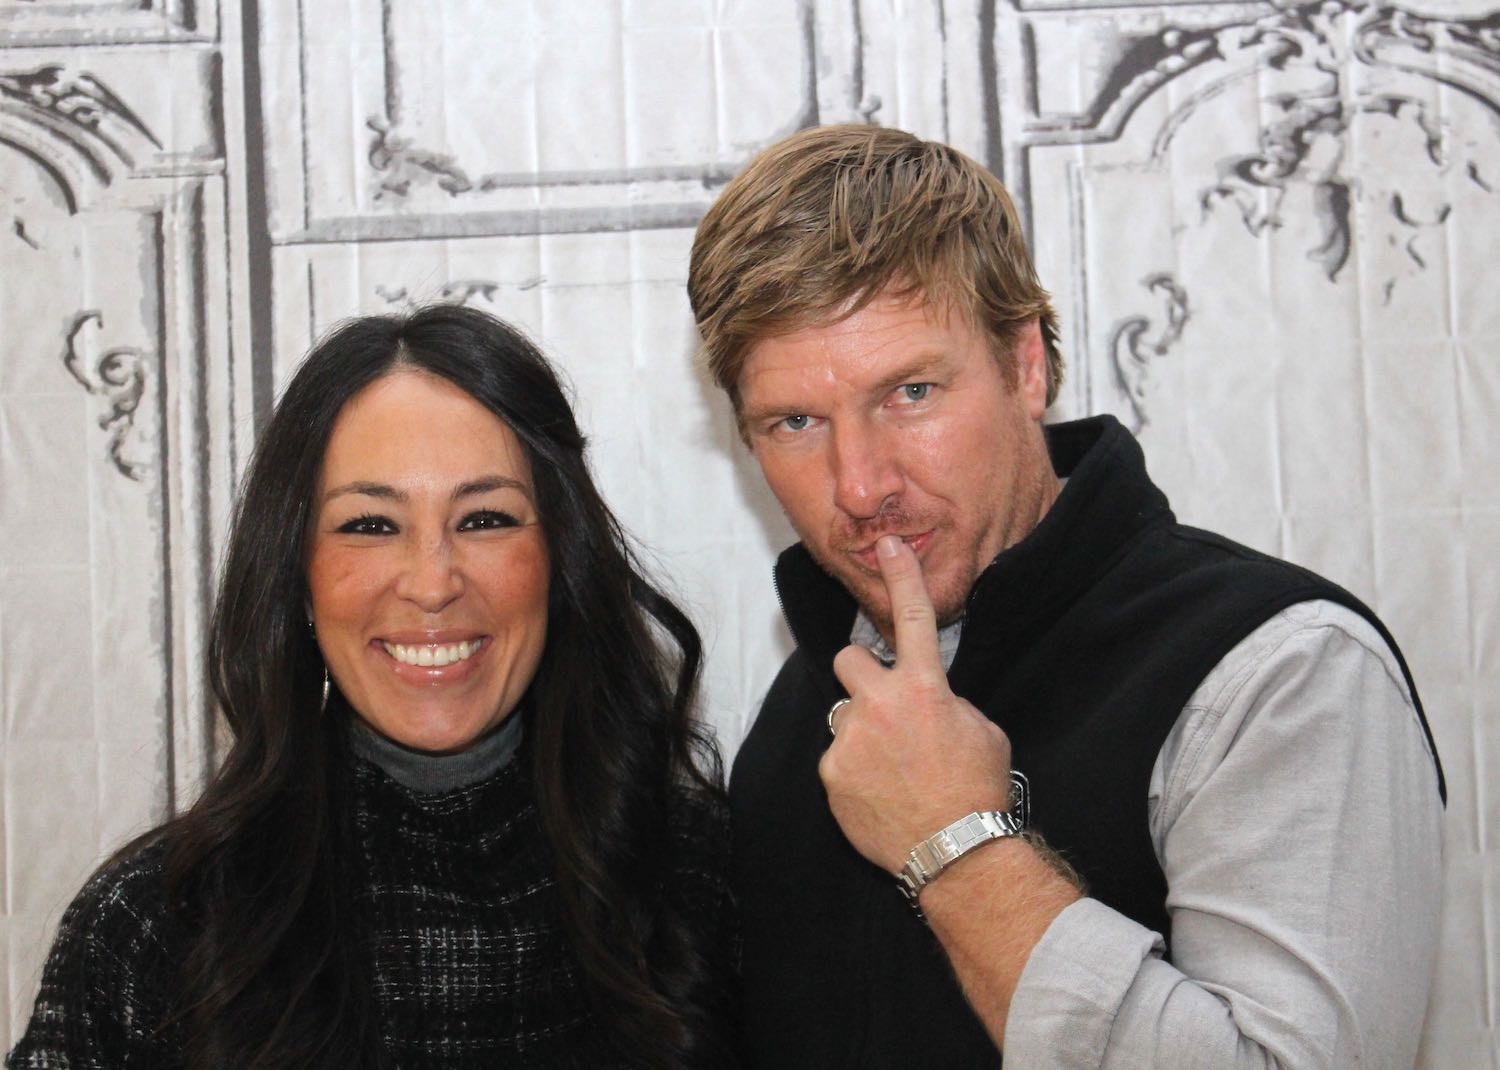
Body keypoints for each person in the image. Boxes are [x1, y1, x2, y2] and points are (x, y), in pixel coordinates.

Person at [687, 124, 1446, 1068]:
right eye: (795, 421)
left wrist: (955, 843)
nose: (858, 483)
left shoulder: (1280, 670)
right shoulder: (810, 696)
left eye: (911, 392)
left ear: (1026, 365)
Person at [8, 304, 739, 1069]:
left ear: (561, 562)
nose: (432, 583)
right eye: (370, 525)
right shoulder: (161, 923)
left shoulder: (704, 878)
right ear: (298, 577)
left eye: (486, 517)